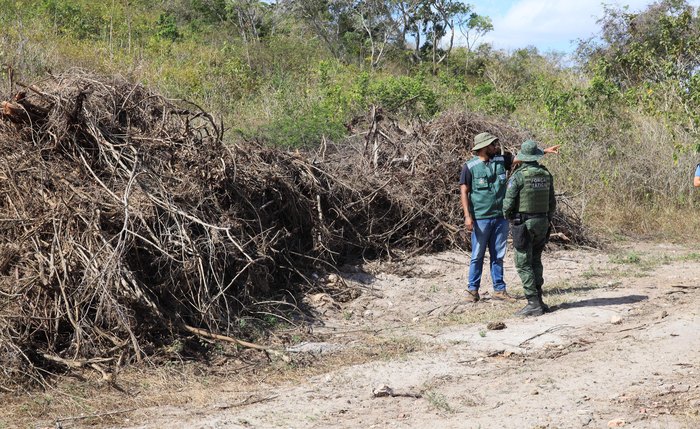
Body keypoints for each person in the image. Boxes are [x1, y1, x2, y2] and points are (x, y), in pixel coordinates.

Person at [502, 140, 557, 317]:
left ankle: (533, 303)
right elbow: (552, 202)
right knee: (536, 260)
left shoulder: (519, 176)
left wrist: (508, 215)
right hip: (542, 222)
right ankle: (539, 300)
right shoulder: (546, 174)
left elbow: (508, 202)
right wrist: (546, 218)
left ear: (524, 157)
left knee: (523, 262)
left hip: (524, 223)